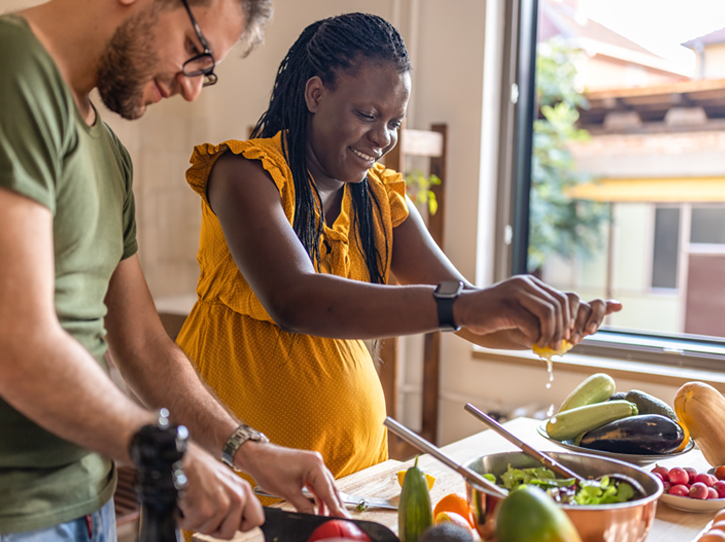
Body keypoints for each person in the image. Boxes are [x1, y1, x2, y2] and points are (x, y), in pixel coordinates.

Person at [0, 1, 348, 542]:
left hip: (83, 516)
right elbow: (10, 343)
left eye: (205, 70)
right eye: (195, 49)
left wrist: (247, 449)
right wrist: (173, 458)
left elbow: (141, 345)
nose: (191, 88)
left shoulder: (106, 150)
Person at [176, 12, 622, 481]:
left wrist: (545, 324)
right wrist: (470, 305)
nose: (383, 138)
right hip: (236, 479)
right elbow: (294, 299)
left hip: (353, 482)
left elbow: (474, 319)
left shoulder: (380, 200)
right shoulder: (245, 175)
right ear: (315, 94)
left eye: (394, 121)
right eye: (367, 115)